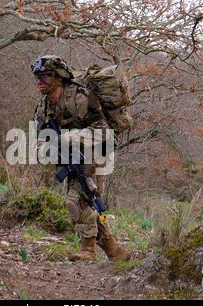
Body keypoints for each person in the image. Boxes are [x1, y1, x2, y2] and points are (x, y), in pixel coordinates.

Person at [31, 55, 130, 262]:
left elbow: (103, 132)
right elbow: (39, 139)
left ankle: (88, 251)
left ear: (58, 78)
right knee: (85, 204)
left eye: (44, 76)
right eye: (37, 77)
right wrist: (48, 150)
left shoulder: (80, 98)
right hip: (72, 158)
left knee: (75, 201)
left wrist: (67, 138)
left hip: (96, 153)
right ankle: (115, 252)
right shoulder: (44, 107)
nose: (39, 81)